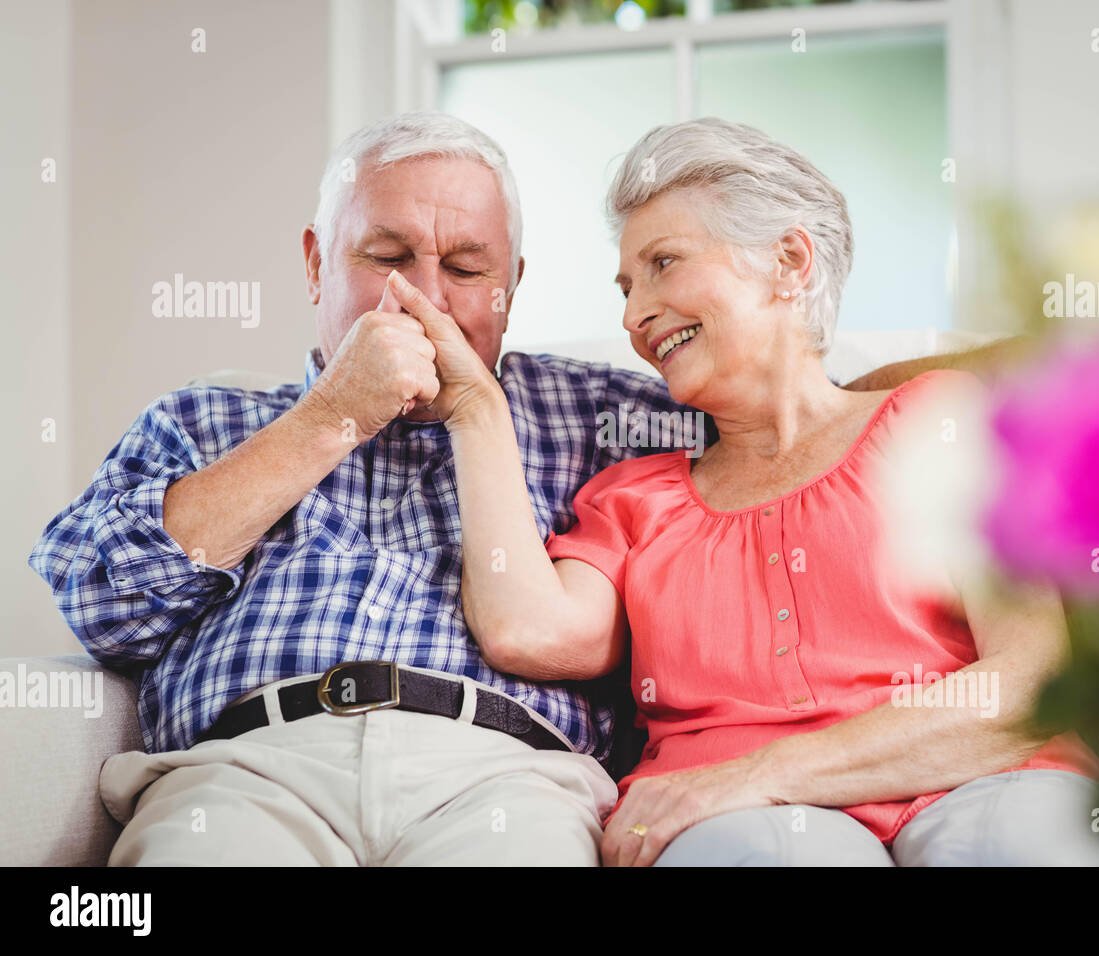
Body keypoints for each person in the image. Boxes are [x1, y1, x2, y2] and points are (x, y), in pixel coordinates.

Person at [29, 110, 916, 867]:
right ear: (314, 264)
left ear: (512, 286)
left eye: (464, 268)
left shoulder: (615, 414)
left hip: (510, 775)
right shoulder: (209, 419)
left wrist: (959, 392)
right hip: (245, 768)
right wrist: (327, 419)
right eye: (387, 256)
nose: (425, 299)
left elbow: (798, 415)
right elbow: (102, 606)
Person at [447, 117, 1099, 867]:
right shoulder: (634, 496)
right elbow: (525, 629)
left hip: (982, 779)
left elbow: (1031, 679)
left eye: (664, 263)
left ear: (789, 260)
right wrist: (476, 405)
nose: (633, 313)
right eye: (626, 286)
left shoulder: (938, 420)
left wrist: (759, 775)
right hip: (743, 830)